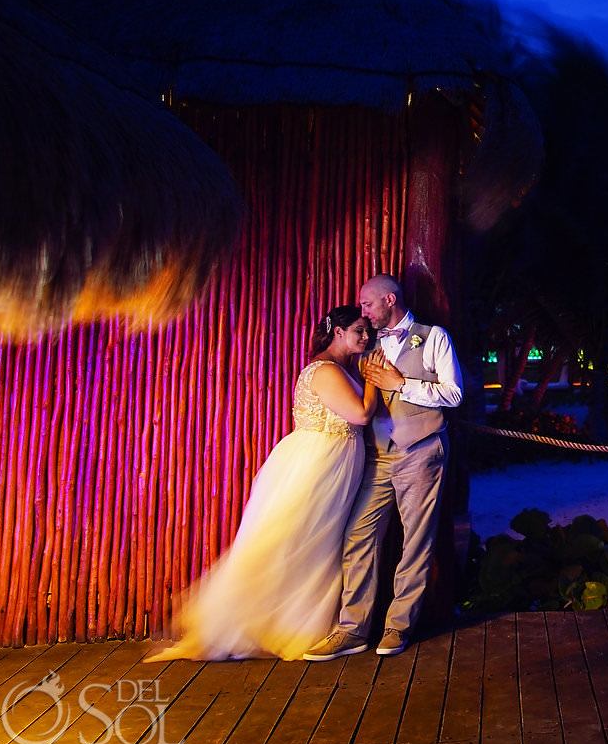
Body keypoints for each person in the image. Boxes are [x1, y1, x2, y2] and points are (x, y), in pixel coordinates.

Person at [147, 306, 378, 661]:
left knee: (314, 543)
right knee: (296, 537)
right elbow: (360, 415)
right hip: (319, 463)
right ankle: (249, 616)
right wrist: (375, 380)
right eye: (359, 330)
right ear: (338, 333)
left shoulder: (335, 369)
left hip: (332, 460)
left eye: (366, 331)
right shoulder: (327, 370)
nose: (365, 337)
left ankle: (288, 619)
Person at [303, 274, 462, 660]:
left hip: (420, 451)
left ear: (390, 300)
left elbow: (454, 394)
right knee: (359, 535)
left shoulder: (433, 336)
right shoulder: (366, 342)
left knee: (415, 542)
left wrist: (401, 382)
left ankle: (398, 626)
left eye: (367, 305)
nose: (364, 312)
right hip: (376, 454)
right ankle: (352, 629)